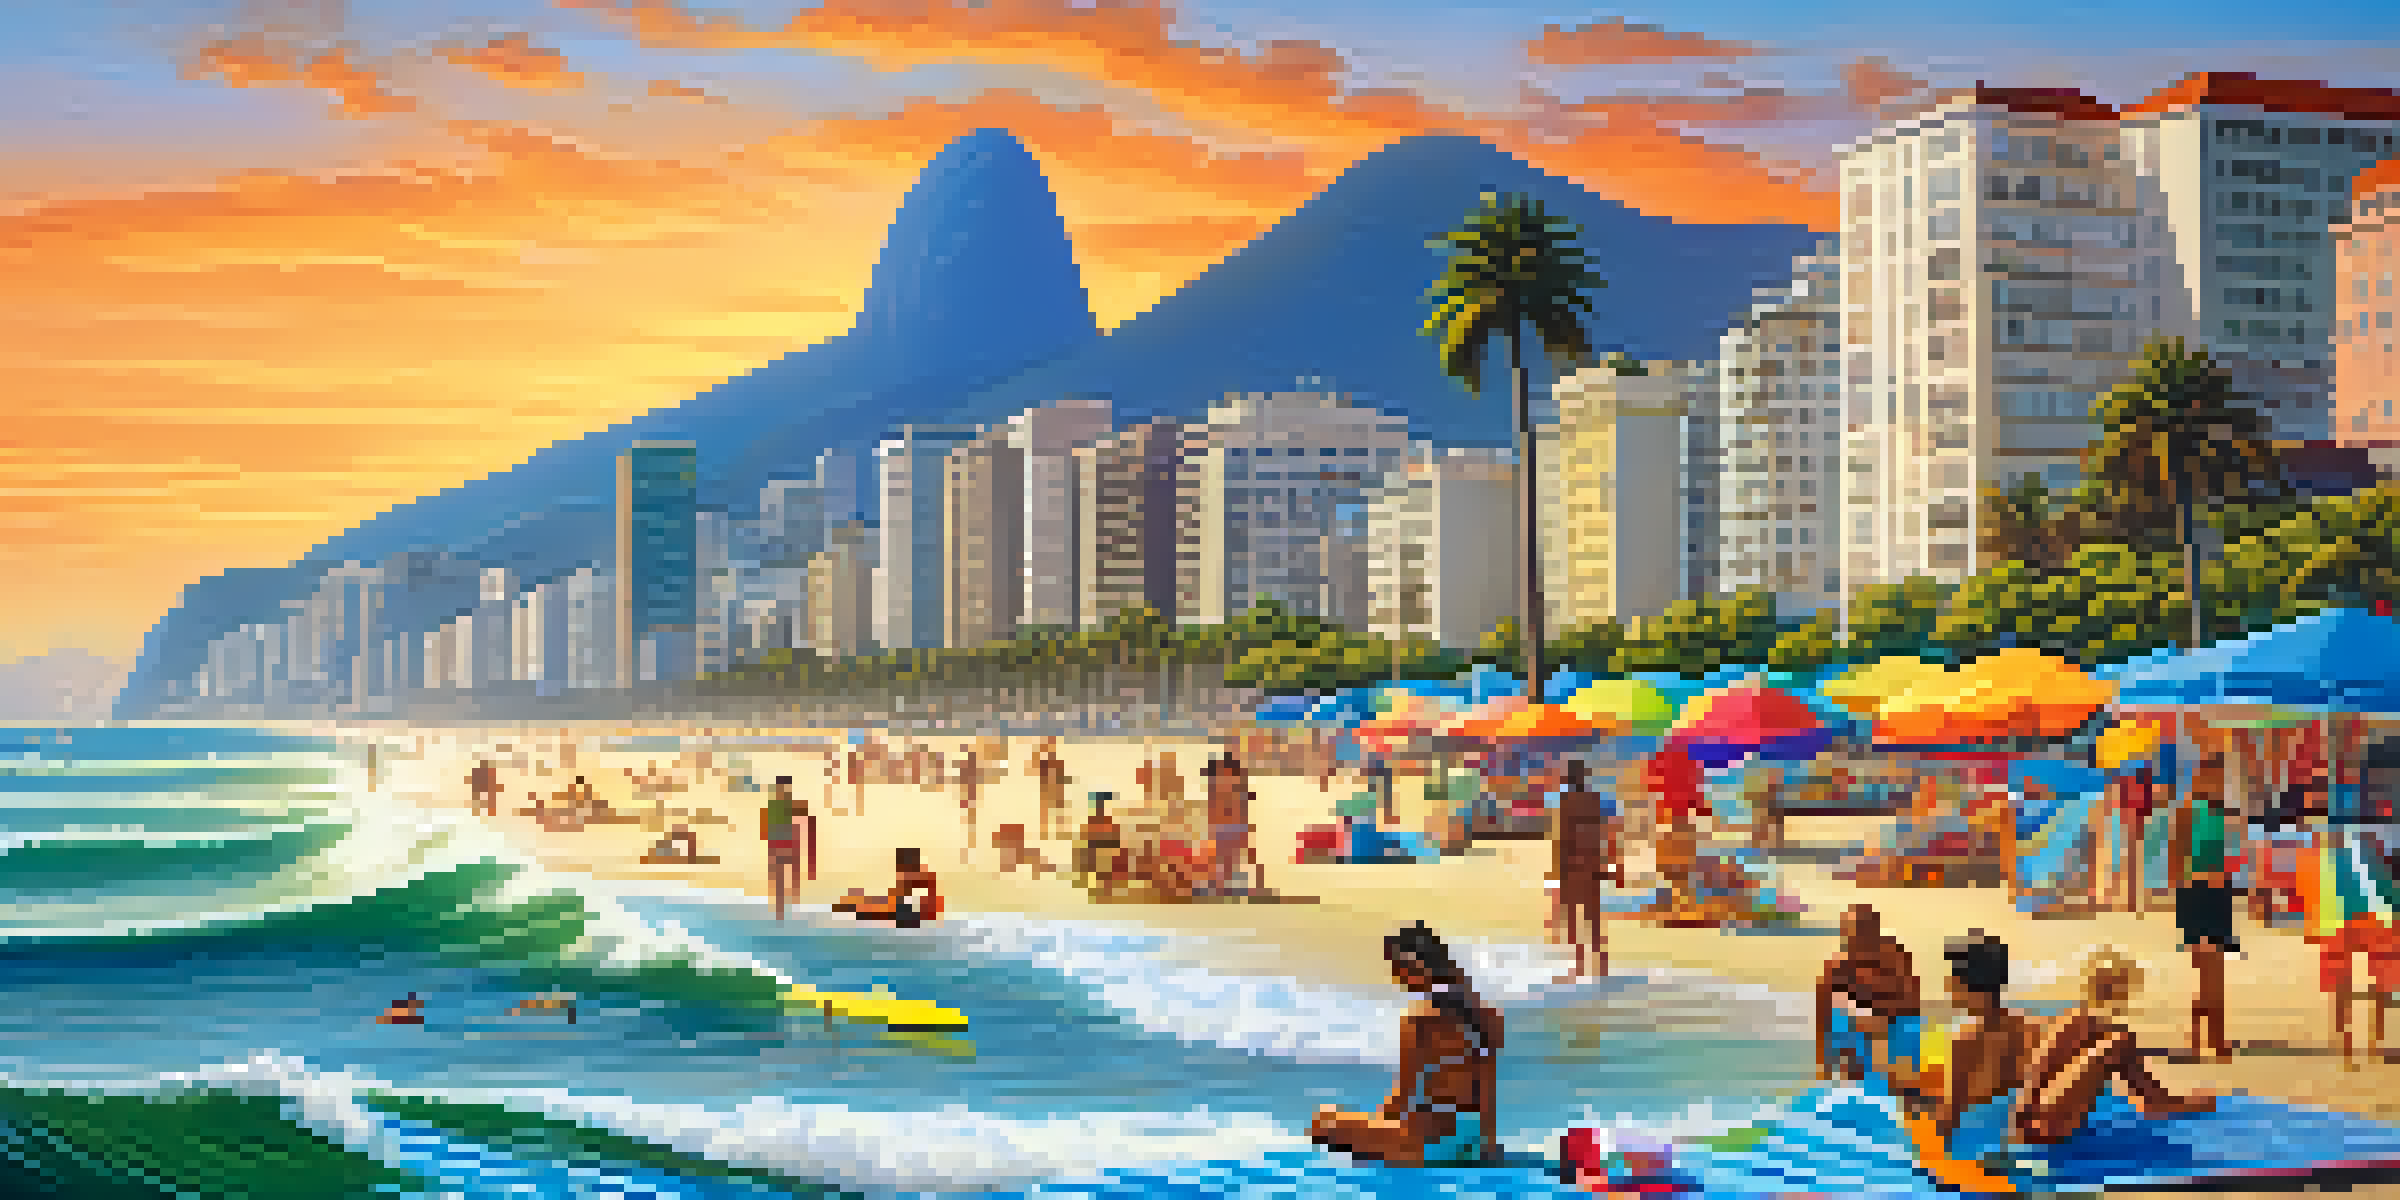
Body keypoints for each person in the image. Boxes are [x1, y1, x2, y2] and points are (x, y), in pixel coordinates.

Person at [1311, 921, 1505, 1167]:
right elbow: (1487, 1089)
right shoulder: (1486, 1014)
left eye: (1398, 967)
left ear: (1417, 966)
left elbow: (1404, 1095)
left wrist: (1376, 1128)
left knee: (1326, 1122)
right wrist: (1486, 1144)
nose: (1396, 976)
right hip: (1472, 1139)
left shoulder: (1420, 1019)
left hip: (1433, 1143)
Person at [2009, 949, 2214, 1145]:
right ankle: (2159, 1102)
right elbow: (2034, 1082)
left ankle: (2158, 1101)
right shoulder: (2082, 1022)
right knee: (2118, 1043)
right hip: (2041, 1125)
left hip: (2034, 1122)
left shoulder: (2080, 1019)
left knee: (2117, 1042)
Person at [1816, 904, 1924, 1084]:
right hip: (1859, 1026)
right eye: (1851, 935)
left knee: (1909, 1027)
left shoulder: (1895, 956)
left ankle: (1904, 1083)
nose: (1856, 940)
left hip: (1895, 1021)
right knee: (1839, 1017)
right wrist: (1825, 1063)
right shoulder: (1837, 967)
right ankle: (1852, 1078)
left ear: (1876, 932)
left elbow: (1912, 1002)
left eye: (1863, 933)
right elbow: (1823, 1016)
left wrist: (1879, 1018)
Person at [1549, 757, 1620, 981]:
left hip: (1573, 863)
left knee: (1571, 914)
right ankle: (1601, 963)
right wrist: (1609, 862)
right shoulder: (1594, 799)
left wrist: (1558, 871)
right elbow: (1604, 832)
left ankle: (1579, 963)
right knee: (1593, 915)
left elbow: (1563, 838)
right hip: (1592, 861)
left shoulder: (1566, 801)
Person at [2313, 914, 2400, 1070]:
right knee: (2354, 1008)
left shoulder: (2378, 935)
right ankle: (2357, 1053)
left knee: (2364, 1007)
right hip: (2350, 970)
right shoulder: (2357, 933)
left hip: (2358, 970)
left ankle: (2364, 1052)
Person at [2174, 867, 2240, 1063]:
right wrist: (2197, 939)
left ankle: (2204, 1041)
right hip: (2208, 942)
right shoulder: (2201, 883)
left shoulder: (2215, 884)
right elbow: (2191, 909)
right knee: (2211, 993)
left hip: (2211, 941)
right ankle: (2208, 1041)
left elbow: (2222, 914)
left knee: (2210, 992)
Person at [1200, 755, 1267, 898]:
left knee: (1234, 855)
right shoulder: (1219, 794)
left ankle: (1238, 882)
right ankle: (1221, 882)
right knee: (1223, 856)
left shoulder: (1237, 794)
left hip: (1233, 829)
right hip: (1223, 829)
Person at [834, 847, 943, 928]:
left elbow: (896, 906)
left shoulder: (920, 880)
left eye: (900, 869)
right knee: (871, 907)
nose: (899, 873)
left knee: (870, 910)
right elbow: (894, 901)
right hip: (912, 917)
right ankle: (855, 906)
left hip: (913, 919)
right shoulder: (921, 880)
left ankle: (854, 907)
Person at [761, 776, 815, 920]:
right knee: (781, 880)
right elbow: (764, 830)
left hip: (788, 846)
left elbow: (764, 830)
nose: (783, 791)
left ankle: (788, 911)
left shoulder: (789, 806)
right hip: (780, 846)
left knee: (790, 879)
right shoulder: (773, 806)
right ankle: (783, 912)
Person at [1074, 792, 1126, 895]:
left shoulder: (1106, 824)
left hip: (1104, 859)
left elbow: (1115, 844)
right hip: (1099, 859)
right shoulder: (1093, 825)